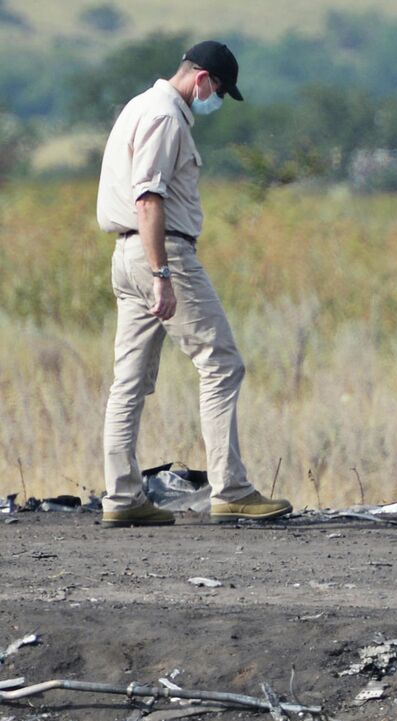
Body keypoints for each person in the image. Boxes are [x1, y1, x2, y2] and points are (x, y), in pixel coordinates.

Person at [94, 41, 291, 527]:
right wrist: (163, 273)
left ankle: (122, 497)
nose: (217, 98)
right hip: (161, 251)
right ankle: (232, 490)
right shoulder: (165, 115)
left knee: (130, 381)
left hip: (125, 254)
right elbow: (148, 198)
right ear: (202, 78)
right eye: (219, 88)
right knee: (221, 362)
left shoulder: (139, 105)